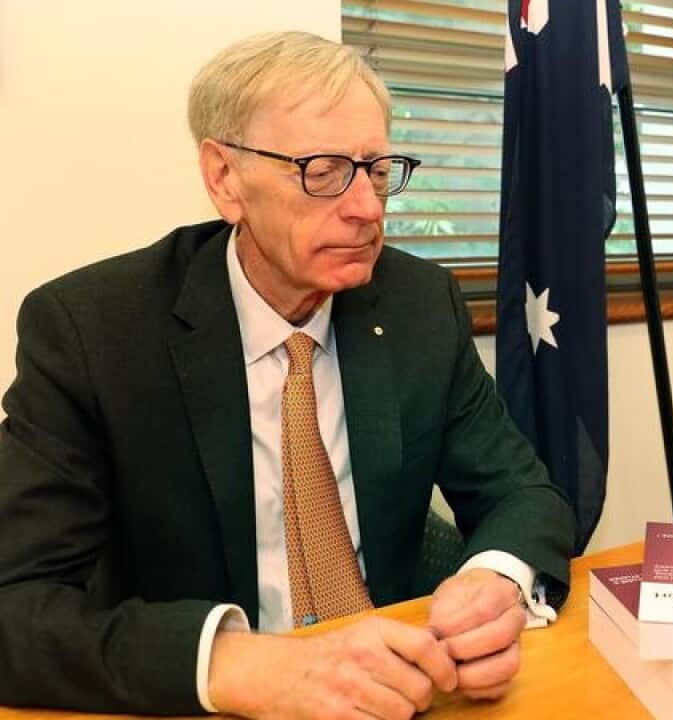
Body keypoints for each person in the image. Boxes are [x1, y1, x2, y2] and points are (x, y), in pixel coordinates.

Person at [0, 32, 574, 716]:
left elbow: (523, 493)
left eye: (377, 170)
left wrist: (495, 582)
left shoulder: (419, 305)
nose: (367, 207)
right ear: (225, 179)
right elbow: (16, 605)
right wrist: (240, 665)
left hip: (397, 690)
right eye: (323, 171)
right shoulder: (93, 332)